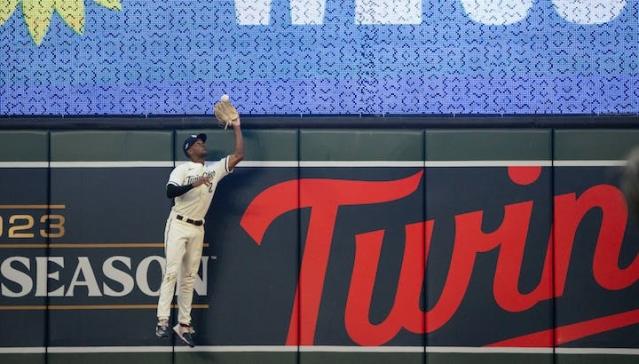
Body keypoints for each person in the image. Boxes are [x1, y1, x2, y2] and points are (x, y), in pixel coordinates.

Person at [155, 122, 244, 347]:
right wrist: (194, 183)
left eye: (202, 141)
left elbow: (239, 154)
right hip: (178, 224)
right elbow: (170, 191)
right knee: (171, 272)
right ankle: (163, 320)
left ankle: (183, 324)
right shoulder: (183, 169)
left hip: (197, 228)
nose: (202, 144)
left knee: (189, 279)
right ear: (189, 150)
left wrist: (236, 127)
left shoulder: (213, 170)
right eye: (197, 143)